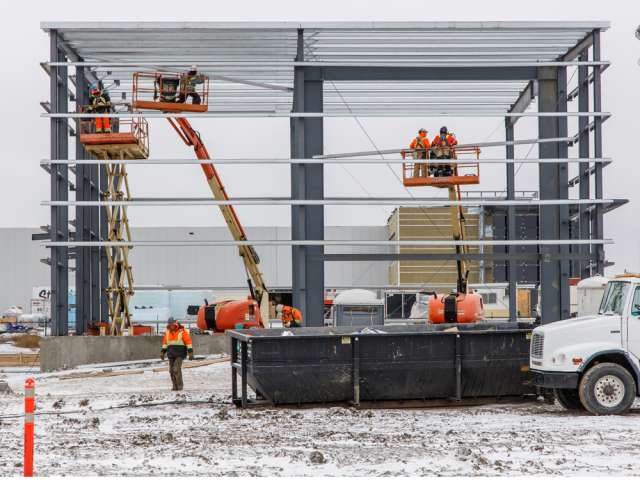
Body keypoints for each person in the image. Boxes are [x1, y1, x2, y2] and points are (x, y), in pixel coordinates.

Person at [160, 317, 194, 391]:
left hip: (180, 354)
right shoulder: (167, 332)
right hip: (171, 354)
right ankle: (175, 386)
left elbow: (188, 341)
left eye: (171, 324)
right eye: (169, 324)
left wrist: (190, 351)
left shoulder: (182, 331)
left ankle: (180, 386)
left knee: (176, 369)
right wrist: (162, 352)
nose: (170, 325)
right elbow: (165, 343)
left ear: (175, 323)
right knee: (171, 371)